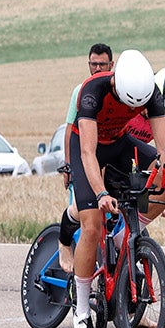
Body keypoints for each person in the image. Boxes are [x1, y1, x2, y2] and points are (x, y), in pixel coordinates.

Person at [69, 49, 165, 328]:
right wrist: (100, 194)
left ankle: (126, 236)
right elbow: (87, 152)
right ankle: (82, 310)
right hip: (87, 146)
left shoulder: (152, 94)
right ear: (116, 86)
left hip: (120, 143)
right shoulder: (92, 91)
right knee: (93, 226)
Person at [55, 43, 114, 272]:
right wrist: (68, 166)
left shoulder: (118, 89)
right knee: (85, 215)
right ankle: (66, 246)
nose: (97, 68)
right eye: (93, 64)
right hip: (83, 158)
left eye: (102, 64)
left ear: (112, 64)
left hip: (107, 160)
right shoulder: (81, 90)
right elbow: (70, 130)